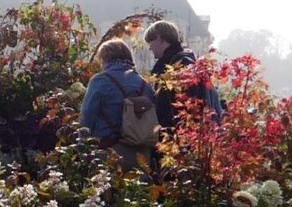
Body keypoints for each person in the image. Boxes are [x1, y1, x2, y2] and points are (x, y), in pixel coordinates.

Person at [80, 39, 157, 171]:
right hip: (142, 156)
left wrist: (80, 148)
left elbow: (87, 118)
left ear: (104, 58)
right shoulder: (145, 85)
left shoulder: (100, 81)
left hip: (109, 154)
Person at [143, 20, 206, 133]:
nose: (150, 48)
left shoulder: (179, 65)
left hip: (177, 134)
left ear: (159, 38)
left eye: (150, 42)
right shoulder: (178, 62)